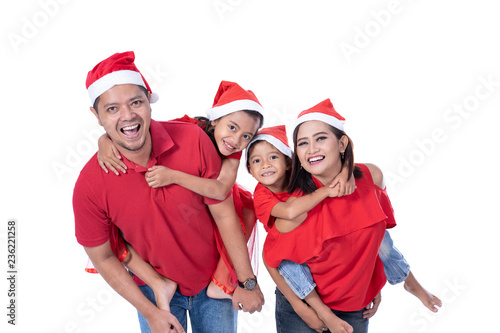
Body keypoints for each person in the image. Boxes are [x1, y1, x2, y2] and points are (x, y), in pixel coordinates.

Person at [73, 51, 264, 333]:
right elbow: (102, 256)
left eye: (136, 102)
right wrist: (150, 313)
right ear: (97, 115)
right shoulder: (90, 184)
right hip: (152, 293)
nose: (128, 116)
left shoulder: (194, 139)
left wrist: (248, 282)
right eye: (112, 109)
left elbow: (225, 214)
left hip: (212, 284)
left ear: (149, 103)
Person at [261, 99, 439, 332]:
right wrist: (307, 310)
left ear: (342, 143)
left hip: (355, 304)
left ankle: (410, 284)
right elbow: (273, 258)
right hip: (306, 303)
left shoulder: (371, 176)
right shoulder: (296, 204)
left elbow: (376, 239)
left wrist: (372, 285)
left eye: (321, 138)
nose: (312, 149)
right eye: (303, 143)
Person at [95, 80, 264, 300]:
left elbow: (221, 190)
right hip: (176, 203)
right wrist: (104, 139)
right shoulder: (189, 130)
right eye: (232, 127)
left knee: (246, 210)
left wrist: (172, 176)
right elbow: (144, 132)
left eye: (246, 136)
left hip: (210, 197)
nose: (236, 140)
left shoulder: (233, 153)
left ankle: (221, 281)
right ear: (215, 121)